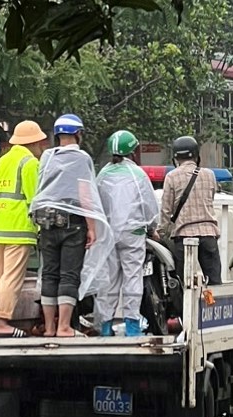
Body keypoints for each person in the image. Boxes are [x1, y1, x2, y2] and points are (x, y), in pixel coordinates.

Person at [30, 114, 112, 337]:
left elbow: (41, 188)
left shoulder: (47, 156)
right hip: (73, 224)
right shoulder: (81, 158)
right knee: (69, 275)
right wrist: (92, 227)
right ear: (78, 134)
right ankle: (64, 327)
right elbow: (85, 194)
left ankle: (49, 328)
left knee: (49, 274)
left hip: (47, 222)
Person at [95, 130, 159, 337]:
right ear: (133, 151)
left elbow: (96, 204)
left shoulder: (102, 175)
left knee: (109, 280)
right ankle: (132, 325)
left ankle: (105, 326)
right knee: (133, 277)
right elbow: (149, 206)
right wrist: (152, 228)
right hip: (133, 234)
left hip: (108, 235)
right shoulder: (137, 174)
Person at [0, 120, 48, 337]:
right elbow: (35, 199)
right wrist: (41, 227)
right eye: (40, 142)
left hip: (0, 226)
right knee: (13, 277)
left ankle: (2, 317)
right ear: (33, 142)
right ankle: (1, 322)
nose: (42, 146)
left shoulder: (2, 161)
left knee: (2, 276)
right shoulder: (29, 163)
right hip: (19, 227)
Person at [158, 135, 221, 285]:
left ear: (175, 158)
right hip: (208, 234)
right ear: (196, 156)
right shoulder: (209, 175)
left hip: (183, 237)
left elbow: (166, 210)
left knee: (184, 284)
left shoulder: (171, 177)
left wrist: (161, 233)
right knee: (214, 283)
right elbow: (210, 199)